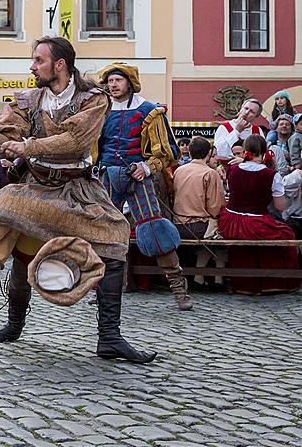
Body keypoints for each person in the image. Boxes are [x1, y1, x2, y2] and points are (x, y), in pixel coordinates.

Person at [0, 36, 156, 364]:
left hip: (77, 189)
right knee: (22, 253)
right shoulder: (28, 99)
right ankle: (13, 324)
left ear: (59, 64)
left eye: (38, 60)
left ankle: (110, 337)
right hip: (35, 187)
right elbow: (5, 135)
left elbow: (75, 139)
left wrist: (28, 147)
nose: (32, 67)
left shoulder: (93, 99)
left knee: (116, 236)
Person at [96, 62, 193, 311]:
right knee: (104, 232)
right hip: (108, 177)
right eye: (110, 82)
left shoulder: (150, 111)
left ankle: (178, 287)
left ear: (129, 82)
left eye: (117, 80)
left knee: (154, 229)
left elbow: (170, 151)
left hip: (139, 178)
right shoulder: (100, 111)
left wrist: (146, 167)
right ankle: (99, 288)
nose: (113, 85)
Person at [218, 135, 300, 294]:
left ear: (245, 151)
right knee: (286, 234)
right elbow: (280, 206)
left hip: (231, 221)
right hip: (256, 222)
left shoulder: (233, 170)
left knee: (249, 241)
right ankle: (273, 283)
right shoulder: (271, 174)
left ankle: (244, 284)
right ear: (264, 153)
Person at [172, 137, 227, 288]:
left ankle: (201, 277)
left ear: (189, 151)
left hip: (177, 225)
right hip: (198, 226)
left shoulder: (178, 171)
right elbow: (215, 207)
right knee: (221, 236)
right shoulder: (210, 173)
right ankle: (216, 278)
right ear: (208, 153)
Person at [213, 98, 266, 164]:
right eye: (246, 108)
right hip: (228, 168)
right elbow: (219, 152)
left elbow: (263, 155)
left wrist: (245, 161)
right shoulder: (224, 127)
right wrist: (237, 131)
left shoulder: (257, 131)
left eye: (252, 112)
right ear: (241, 108)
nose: (247, 113)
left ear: (256, 116)